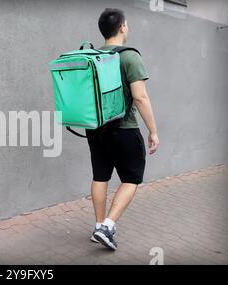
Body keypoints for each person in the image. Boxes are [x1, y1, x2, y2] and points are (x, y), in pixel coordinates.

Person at [88, 8, 160, 250]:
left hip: (96, 129)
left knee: (100, 176)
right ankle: (107, 226)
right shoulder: (129, 56)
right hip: (124, 129)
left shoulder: (92, 56)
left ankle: (98, 226)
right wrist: (153, 131)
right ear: (122, 27)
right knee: (131, 178)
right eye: (126, 24)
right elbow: (140, 98)